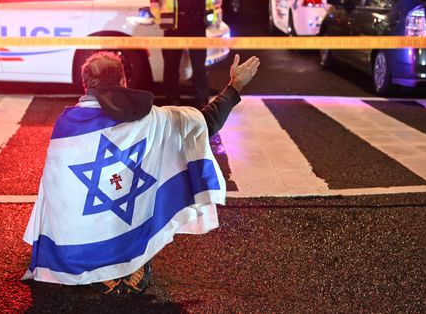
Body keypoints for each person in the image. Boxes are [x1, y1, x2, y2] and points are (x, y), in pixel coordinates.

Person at [23, 51, 260, 295]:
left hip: (80, 239)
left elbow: (55, 193)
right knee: (143, 191)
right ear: (124, 81)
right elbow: (204, 122)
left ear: (84, 85)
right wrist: (234, 86)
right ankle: (131, 260)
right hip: (131, 208)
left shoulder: (67, 126)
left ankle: (97, 263)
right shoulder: (153, 118)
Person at [150, 0, 220, 107]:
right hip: (174, 27)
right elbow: (154, 0)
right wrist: (163, 21)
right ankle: (171, 98)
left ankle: (201, 100)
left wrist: (210, 19)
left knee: (199, 66)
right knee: (171, 66)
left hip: (196, 26)